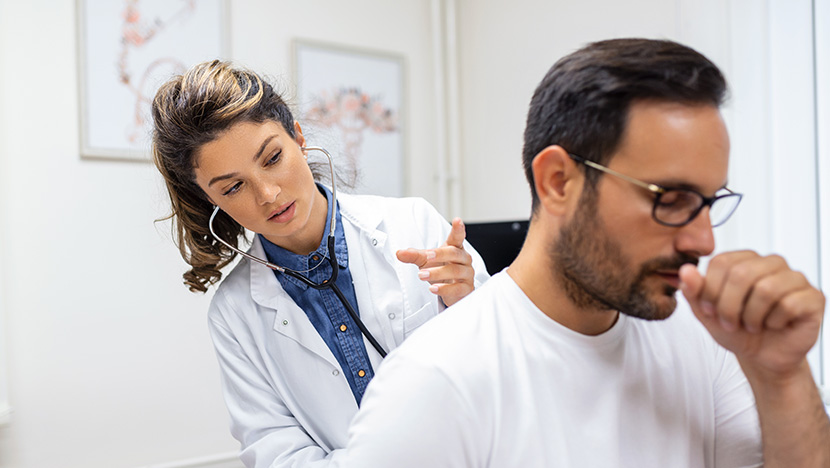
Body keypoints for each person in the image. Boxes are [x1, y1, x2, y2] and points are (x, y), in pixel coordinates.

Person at [345, 38, 830, 467]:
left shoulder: (706, 342)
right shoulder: (436, 384)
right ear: (558, 182)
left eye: (707, 203)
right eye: (670, 200)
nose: (704, 241)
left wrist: (783, 375)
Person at [151, 60, 490, 468]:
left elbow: (503, 367)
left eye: (273, 157)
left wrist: (471, 304)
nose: (269, 193)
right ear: (210, 198)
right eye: (234, 186)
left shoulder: (414, 224)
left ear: (298, 137)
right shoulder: (235, 313)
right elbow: (276, 450)